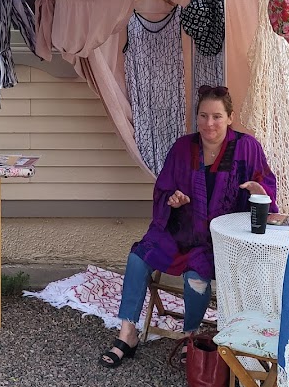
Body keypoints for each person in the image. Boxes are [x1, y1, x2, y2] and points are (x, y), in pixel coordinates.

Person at [100, 85, 278, 367]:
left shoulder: (247, 148)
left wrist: (259, 192)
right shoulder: (183, 148)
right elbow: (163, 189)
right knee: (138, 257)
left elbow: (265, 187)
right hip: (180, 229)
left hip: (219, 238)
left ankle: (190, 335)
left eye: (217, 116)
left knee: (196, 275)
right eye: (203, 116)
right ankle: (128, 333)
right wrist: (173, 198)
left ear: (230, 118)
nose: (209, 123)